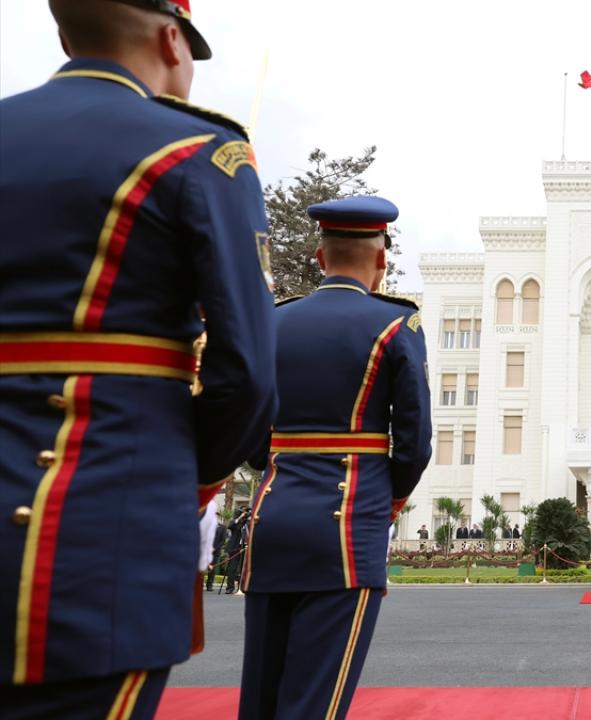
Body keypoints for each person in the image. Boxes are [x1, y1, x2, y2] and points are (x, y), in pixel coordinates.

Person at [0, 2, 276, 716]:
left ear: (66, 34)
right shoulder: (196, 152)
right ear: (170, 38)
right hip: (94, 533)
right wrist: (194, 480)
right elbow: (245, 370)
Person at [238, 196, 432, 720]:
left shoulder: (272, 324)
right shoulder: (395, 326)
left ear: (320, 258)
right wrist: (390, 502)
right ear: (381, 260)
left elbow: (252, 433)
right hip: (345, 527)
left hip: (272, 517)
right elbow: (413, 443)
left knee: (261, 695)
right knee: (315, 700)